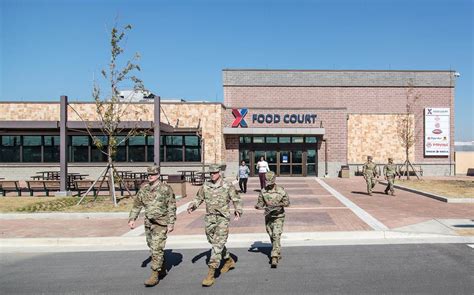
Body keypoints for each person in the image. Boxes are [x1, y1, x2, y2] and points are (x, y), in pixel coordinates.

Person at [187, 164, 243, 287]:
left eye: (215, 173)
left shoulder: (227, 185)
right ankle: (228, 260)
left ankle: (211, 273)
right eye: (210, 173)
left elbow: (236, 199)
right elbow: (198, 198)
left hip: (222, 218)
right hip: (209, 218)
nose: (212, 175)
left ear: (219, 173)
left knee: (218, 244)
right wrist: (193, 205)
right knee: (212, 240)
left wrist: (238, 210)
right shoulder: (206, 186)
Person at [128, 165, 176, 287]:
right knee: (152, 246)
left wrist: (171, 222)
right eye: (149, 174)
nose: (150, 176)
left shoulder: (166, 189)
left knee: (156, 249)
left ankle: (155, 275)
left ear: (158, 175)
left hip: (161, 223)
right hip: (148, 223)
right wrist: (132, 218)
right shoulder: (144, 189)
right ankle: (162, 267)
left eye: (153, 174)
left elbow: (171, 206)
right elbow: (137, 205)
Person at [255, 171, 290, 268]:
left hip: (279, 216)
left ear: (274, 180)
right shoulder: (263, 191)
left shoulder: (280, 190)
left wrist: (278, 205)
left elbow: (287, 202)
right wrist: (258, 206)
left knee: (276, 234)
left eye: (270, 182)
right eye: (267, 182)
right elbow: (260, 203)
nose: (268, 185)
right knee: (271, 234)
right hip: (268, 216)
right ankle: (277, 251)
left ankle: (274, 256)